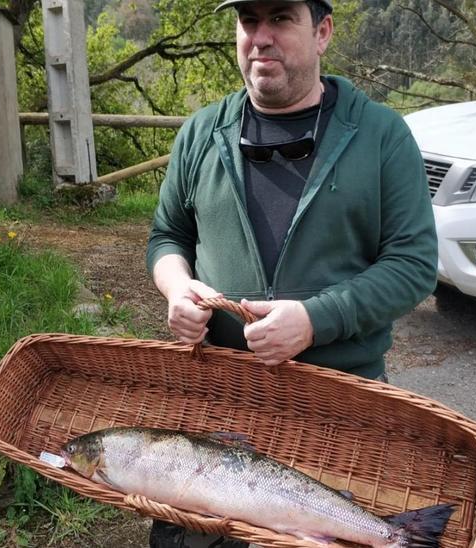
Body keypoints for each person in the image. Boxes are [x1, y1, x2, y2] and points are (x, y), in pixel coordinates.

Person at [144, 0, 436, 545]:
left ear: (322, 32)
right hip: (217, 402)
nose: (261, 37)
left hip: (340, 406)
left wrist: (316, 319)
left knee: (345, 528)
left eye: (280, 18)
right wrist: (176, 286)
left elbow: (414, 264)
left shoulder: (381, 136)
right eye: (248, 21)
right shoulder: (201, 132)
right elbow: (168, 237)